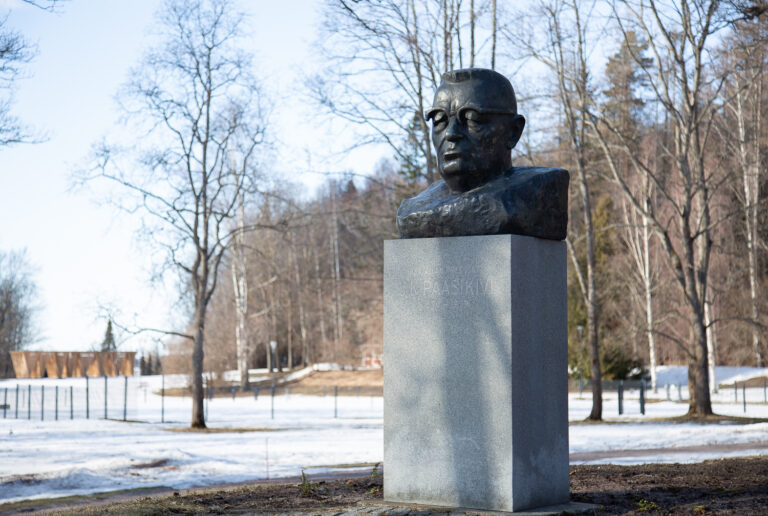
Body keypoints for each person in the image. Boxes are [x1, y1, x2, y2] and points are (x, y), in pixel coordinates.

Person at [396, 68, 569, 240]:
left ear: (513, 132)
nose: (451, 133)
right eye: (440, 120)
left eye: (472, 119)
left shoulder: (536, 193)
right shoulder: (413, 208)